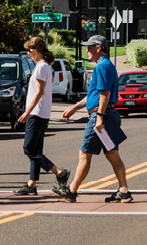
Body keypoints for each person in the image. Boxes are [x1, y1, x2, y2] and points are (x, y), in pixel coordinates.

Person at [53, 35, 133, 203]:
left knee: (85, 153)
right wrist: (75, 108)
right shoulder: (107, 65)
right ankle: (123, 191)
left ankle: (72, 191)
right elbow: (94, 95)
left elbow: (105, 93)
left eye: (89, 47)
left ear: (99, 48)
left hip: (101, 116)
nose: (86, 50)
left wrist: (99, 118)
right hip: (108, 114)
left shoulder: (101, 67)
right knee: (112, 155)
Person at [12, 37, 70, 195]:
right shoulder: (44, 66)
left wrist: (27, 112)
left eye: (30, 49)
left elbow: (39, 93)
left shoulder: (41, 67)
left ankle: (59, 172)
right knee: (36, 149)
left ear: (38, 50)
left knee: (29, 148)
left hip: (36, 113)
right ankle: (31, 184)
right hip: (42, 113)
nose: (28, 53)